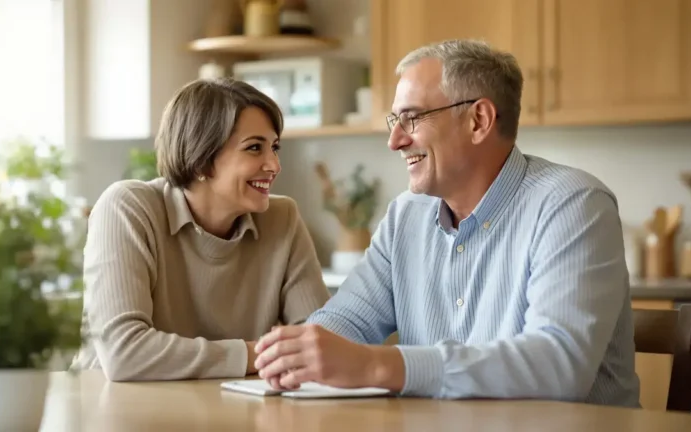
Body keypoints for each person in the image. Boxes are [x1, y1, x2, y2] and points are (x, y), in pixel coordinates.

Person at [253, 39, 641, 407]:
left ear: (479, 120)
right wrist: (301, 352)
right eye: (395, 120)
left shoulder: (573, 204)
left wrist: (377, 365)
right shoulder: (406, 215)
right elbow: (349, 319)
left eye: (412, 118)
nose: (395, 141)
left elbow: (560, 364)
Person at [71, 78, 331, 381]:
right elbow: (124, 352)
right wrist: (259, 354)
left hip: (233, 411)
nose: (274, 164)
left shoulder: (282, 218)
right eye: (254, 148)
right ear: (200, 159)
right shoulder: (128, 208)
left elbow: (320, 343)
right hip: (114, 413)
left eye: (274, 147)